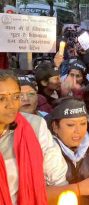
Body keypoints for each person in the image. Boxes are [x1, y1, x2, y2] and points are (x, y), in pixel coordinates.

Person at [0, 70, 68, 205]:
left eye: (15, 96)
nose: (11, 105)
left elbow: (58, 180)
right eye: (1, 98)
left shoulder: (35, 126)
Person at [47, 98, 89, 205]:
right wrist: (79, 189)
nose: (78, 131)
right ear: (55, 127)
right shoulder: (45, 153)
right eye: (70, 125)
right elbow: (35, 194)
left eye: (83, 123)